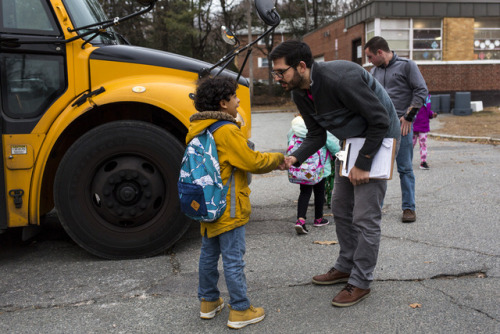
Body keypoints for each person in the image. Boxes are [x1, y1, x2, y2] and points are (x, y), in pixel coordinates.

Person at [270, 40, 400, 307]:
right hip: (351, 142)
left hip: (379, 139)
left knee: (365, 217)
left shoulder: (341, 77)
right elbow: (317, 134)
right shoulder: (299, 92)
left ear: (302, 66)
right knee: (341, 207)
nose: (276, 78)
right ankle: (345, 265)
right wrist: (295, 158)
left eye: (280, 72)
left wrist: (364, 164)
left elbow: (380, 119)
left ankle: (361, 281)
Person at [188, 76, 284, 329]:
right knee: (233, 259)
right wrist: (278, 158)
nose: (238, 100)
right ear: (223, 103)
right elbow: (253, 161)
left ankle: (208, 301)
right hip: (228, 205)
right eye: (234, 97)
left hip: (207, 203)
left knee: (208, 254)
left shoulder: (198, 128)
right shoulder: (227, 130)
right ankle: (240, 309)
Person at [364, 36, 429, 223]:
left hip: (401, 128)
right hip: (379, 128)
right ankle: (376, 207)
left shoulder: (407, 66)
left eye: (370, 57)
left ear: (380, 52)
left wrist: (409, 117)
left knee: (405, 169)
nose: (369, 61)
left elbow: (421, 91)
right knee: (378, 169)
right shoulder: (373, 72)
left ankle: (409, 208)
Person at [287, 115, 340, 234]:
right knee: (319, 192)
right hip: (319, 168)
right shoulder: (320, 126)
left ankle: (300, 220)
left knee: (305, 192)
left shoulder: (294, 128)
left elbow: (289, 141)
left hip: (302, 167)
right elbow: (333, 146)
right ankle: (318, 219)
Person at [413, 95, 437, 170]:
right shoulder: (414, 97)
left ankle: (423, 162)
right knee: (410, 145)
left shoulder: (427, 99)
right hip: (413, 125)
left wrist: (432, 114)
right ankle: (406, 161)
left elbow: (427, 111)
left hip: (424, 126)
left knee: (423, 145)